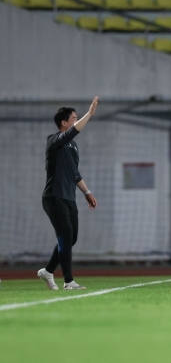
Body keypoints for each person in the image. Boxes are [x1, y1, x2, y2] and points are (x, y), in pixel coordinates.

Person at [38, 97, 99, 290]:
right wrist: (89, 114)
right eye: (74, 117)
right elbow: (72, 132)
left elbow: (75, 173)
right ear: (64, 123)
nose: (77, 119)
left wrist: (86, 192)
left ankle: (47, 271)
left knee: (71, 238)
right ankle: (68, 281)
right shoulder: (54, 140)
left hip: (69, 197)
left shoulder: (73, 146)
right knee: (65, 235)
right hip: (53, 197)